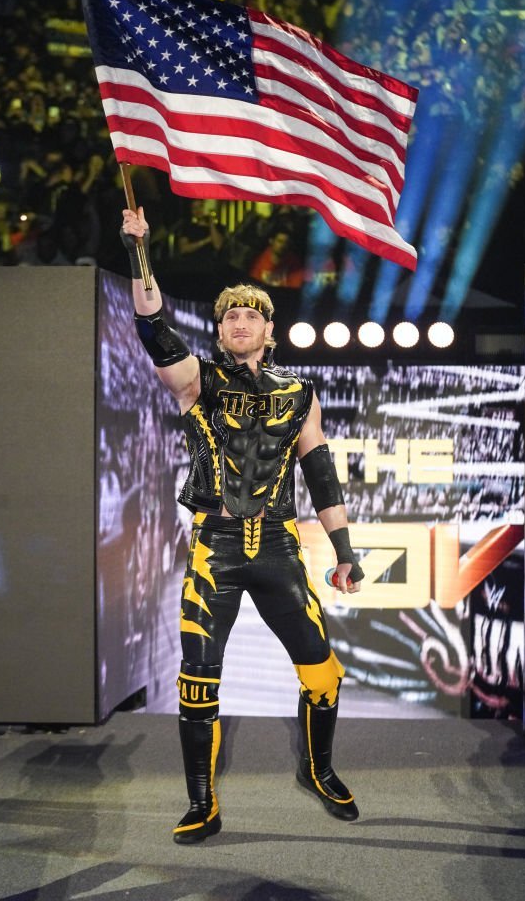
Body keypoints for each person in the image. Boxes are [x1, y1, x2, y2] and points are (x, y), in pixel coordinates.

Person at [120, 204, 364, 845]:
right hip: (217, 549)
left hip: (279, 546)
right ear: (221, 328)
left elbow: (321, 475)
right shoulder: (197, 381)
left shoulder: (299, 394)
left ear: (268, 329)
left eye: (250, 314)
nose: (238, 321)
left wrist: (345, 550)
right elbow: (151, 326)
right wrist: (139, 250)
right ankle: (202, 803)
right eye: (229, 315)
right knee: (197, 681)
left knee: (323, 673)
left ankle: (319, 770)